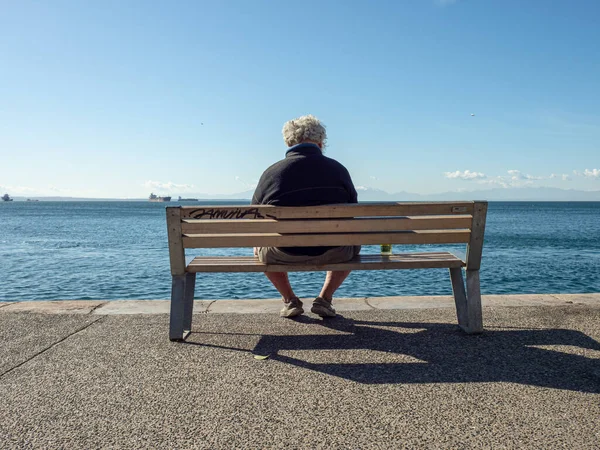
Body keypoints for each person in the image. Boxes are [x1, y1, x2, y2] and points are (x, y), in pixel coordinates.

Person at [252, 114, 360, 319]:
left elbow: (255, 216)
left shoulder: (271, 173)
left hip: (283, 252)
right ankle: (325, 299)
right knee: (352, 242)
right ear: (320, 142)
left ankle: (290, 300)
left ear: (289, 141)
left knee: (259, 245)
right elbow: (351, 213)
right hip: (334, 251)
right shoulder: (339, 170)